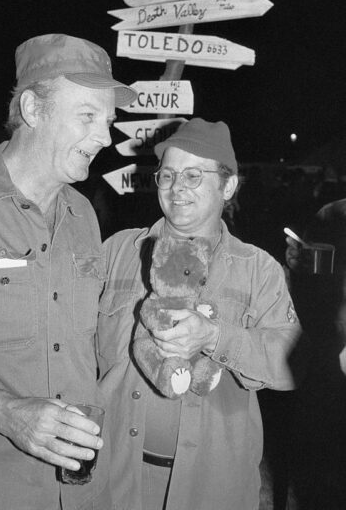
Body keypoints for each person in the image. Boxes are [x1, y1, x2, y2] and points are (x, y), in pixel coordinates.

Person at [0, 33, 136, 510]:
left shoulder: (84, 216)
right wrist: (1, 412)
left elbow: (89, 348)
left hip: (79, 492)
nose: (105, 136)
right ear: (34, 110)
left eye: (108, 121)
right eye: (88, 117)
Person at [97, 118, 304, 510]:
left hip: (213, 492)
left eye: (193, 176)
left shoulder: (258, 269)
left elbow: (295, 366)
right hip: (115, 483)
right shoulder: (118, 252)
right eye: (168, 175)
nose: (176, 188)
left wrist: (215, 336)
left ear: (228, 186)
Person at [285, 198, 346, 509]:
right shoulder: (331, 214)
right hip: (326, 354)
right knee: (320, 472)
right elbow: (309, 284)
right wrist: (297, 264)